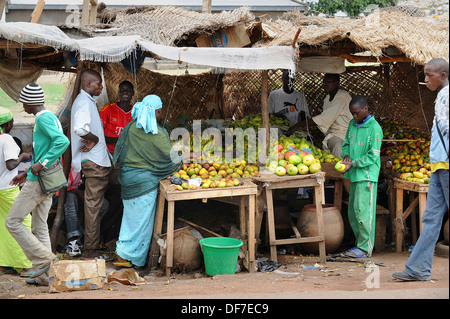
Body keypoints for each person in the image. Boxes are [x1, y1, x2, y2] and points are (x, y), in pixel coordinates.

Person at [5, 83, 70, 285]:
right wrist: (26, 172)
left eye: (23, 101)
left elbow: (62, 142)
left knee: (13, 222)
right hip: (45, 179)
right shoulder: (49, 117)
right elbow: (47, 148)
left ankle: (44, 260)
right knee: (39, 226)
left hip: (39, 181)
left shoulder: (42, 120)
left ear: (29, 102)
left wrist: (40, 164)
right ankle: (46, 276)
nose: (22, 105)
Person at [392, 58, 449, 281]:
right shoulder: (442, 96)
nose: (425, 80)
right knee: (432, 219)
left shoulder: (446, 96)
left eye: (429, 75)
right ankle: (417, 269)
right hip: (439, 167)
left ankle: (418, 269)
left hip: (445, 167)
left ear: (443, 75)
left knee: (432, 219)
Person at [113, 95, 183, 268]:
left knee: (131, 219)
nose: (161, 115)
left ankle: (124, 254)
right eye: (160, 112)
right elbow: (171, 158)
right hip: (143, 184)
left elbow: (122, 150)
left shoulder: (131, 127)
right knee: (141, 223)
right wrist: (184, 157)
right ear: (156, 112)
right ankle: (127, 255)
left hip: (128, 179)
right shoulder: (155, 132)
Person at [70, 69, 112, 260]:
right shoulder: (83, 104)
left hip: (97, 161)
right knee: (93, 205)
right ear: (88, 85)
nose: (101, 87)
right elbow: (80, 129)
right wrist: (93, 138)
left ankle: (95, 243)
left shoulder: (87, 102)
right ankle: (90, 250)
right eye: (98, 84)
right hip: (93, 162)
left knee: (99, 203)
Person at [339, 95, 383, 258]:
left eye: (356, 113)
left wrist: (354, 163)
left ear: (365, 109)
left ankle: (365, 248)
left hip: (367, 175)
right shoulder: (352, 124)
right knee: (353, 212)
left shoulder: (375, 128)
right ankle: (360, 245)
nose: (354, 117)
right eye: (352, 114)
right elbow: (346, 144)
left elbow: (373, 155)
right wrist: (346, 157)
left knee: (364, 213)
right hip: (354, 175)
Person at [99, 80, 134, 246]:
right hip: (109, 158)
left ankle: (115, 235)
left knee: (122, 199)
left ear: (133, 94)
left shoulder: (136, 112)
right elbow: (98, 135)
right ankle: (105, 235)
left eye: (128, 90)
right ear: (118, 93)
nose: (125, 92)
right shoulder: (108, 110)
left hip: (129, 161)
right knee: (111, 197)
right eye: (122, 90)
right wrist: (121, 140)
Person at [0, 108, 33, 277]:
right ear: (8, 123)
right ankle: (27, 265)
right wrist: (23, 156)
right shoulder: (7, 139)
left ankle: (5, 264)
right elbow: (11, 164)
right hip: (8, 188)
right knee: (24, 221)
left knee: (4, 224)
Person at [298, 73, 352, 158]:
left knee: (337, 145)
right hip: (333, 133)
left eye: (329, 81)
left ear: (337, 83)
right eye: (324, 81)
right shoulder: (327, 98)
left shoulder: (342, 96)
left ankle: (341, 170)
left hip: (343, 134)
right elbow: (326, 119)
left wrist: (299, 124)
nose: (325, 84)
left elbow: (324, 118)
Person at [269, 69, 310, 135]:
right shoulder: (274, 95)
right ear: (282, 78)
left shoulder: (300, 96)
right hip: (277, 130)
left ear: (295, 80)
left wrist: (302, 127)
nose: (289, 81)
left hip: (294, 130)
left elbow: (304, 115)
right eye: (286, 78)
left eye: (291, 78)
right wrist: (278, 116)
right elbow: (269, 114)